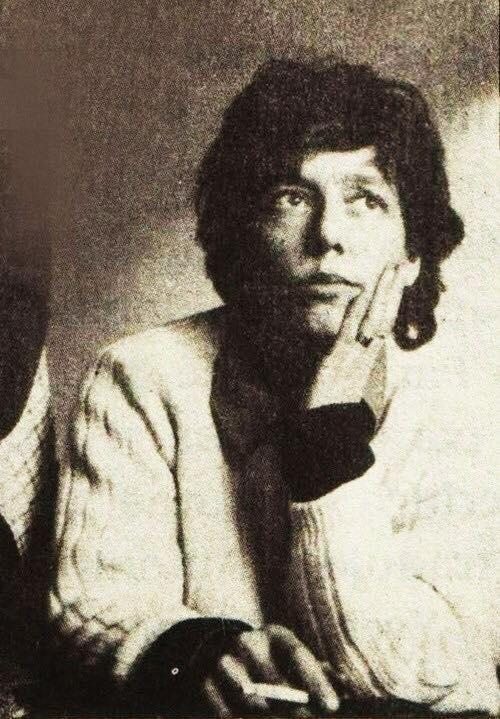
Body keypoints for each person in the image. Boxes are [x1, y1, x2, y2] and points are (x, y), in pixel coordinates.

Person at [50, 59, 499, 717]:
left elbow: (426, 676)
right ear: (244, 234)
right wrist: (201, 653)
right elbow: (94, 605)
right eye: (291, 197)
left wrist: (329, 442)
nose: (328, 236)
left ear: (411, 255)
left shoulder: (462, 408)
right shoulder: (143, 376)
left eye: (365, 199)